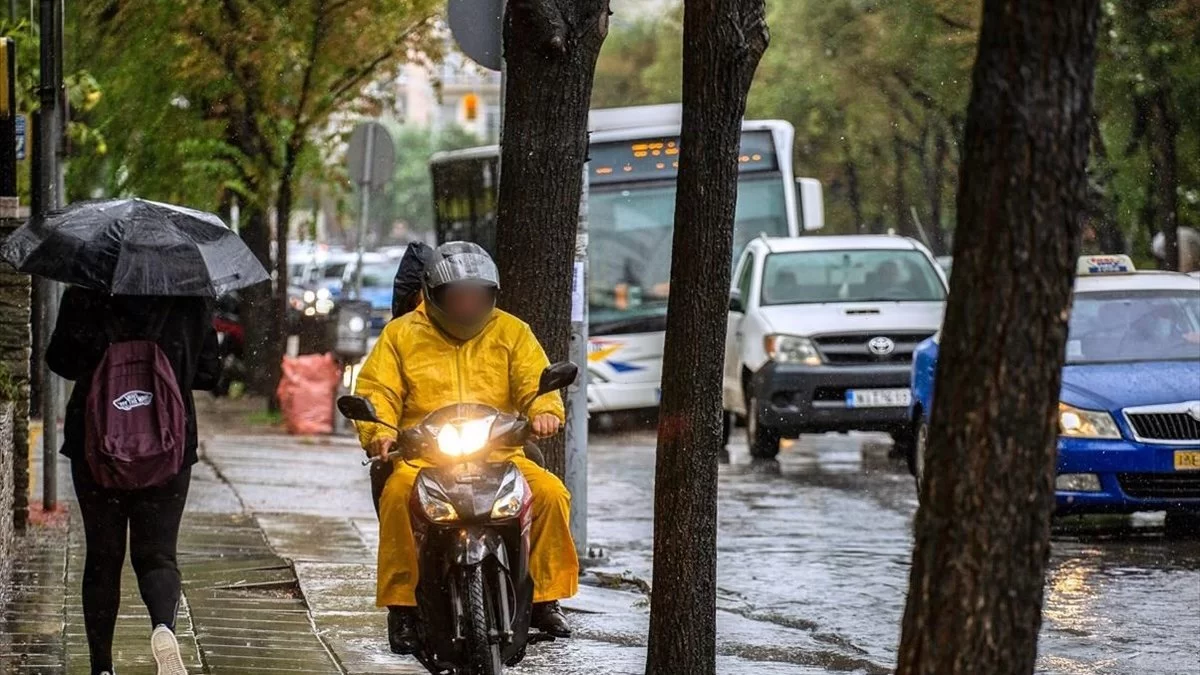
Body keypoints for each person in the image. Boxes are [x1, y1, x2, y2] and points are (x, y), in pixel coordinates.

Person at [354, 242, 578, 655]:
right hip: (424, 457)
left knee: (549, 494)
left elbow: (535, 383)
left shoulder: (512, 331)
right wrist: (380, 432)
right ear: (432, 295)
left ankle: (546, 597)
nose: (467, 307)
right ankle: (402, 607)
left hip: (499, 453)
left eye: (476, 297)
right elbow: (377, 391)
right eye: (457, 297)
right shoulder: (400, 335)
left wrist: (545, 410)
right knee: (398, 496)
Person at [46, 289, 220, 675]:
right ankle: (162, 627)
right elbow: (209, 374)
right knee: (158, 554)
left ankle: (102, 668)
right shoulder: (191, 293)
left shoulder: (88, 288)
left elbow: (60, 361)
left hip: (96, 442)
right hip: (168, 442)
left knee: (103, 558)